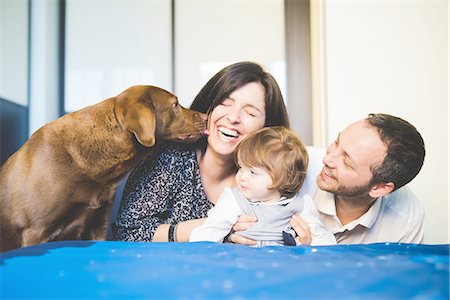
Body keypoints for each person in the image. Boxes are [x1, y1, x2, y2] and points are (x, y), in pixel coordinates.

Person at [113, 61, 291, 244]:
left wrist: (300, 241)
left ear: (267, 129)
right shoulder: (171, 156)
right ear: (210, 108)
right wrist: (216, 226)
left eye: (250, 113)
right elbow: (127, 232)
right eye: (225, 104)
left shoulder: (271, 179)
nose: (233, 118)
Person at [289, 113, 426, 244]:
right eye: (337, 142)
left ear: (379, 188)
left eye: (347, 162)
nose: (327, 159)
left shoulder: (406, 222)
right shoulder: (293, 165)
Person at [189, 126, 336, 246]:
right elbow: (212, 229)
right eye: (241, 167)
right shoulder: (234, 199)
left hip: (282, 265)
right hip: (242, 263)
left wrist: (308, 245)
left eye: (252, 172)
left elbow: (322, 237)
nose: (241, 176)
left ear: (284, 180)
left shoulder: (300, 205)